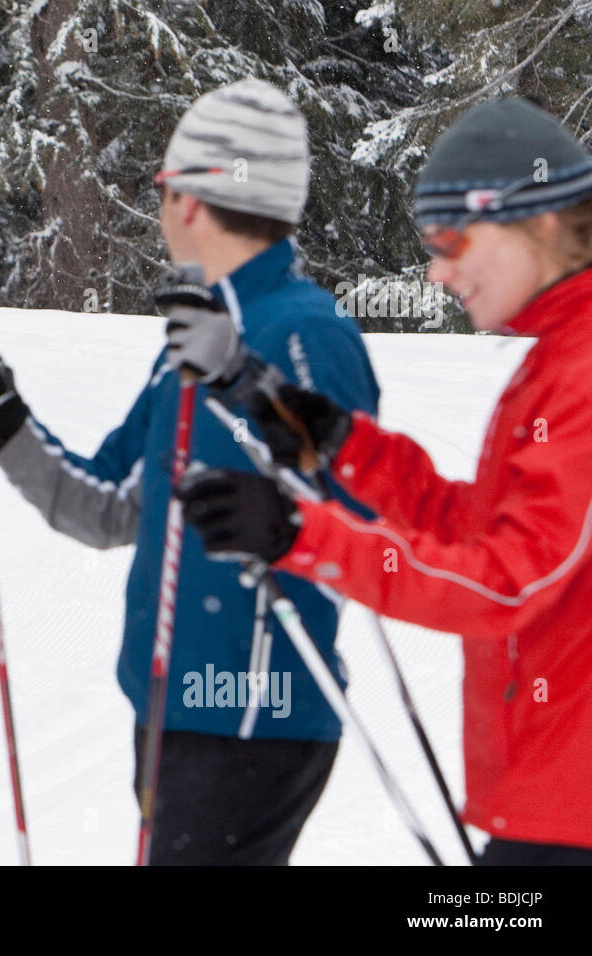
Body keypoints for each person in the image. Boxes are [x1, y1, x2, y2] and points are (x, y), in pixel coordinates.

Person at [0, 79, 381, 865]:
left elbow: (365, 528)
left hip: (253, 722)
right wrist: (0, 415)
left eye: (166, 185)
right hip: (176, 715)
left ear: (190, 198)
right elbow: (107, 506)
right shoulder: (194, 337)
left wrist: (261, 458)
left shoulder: (305, 331)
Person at [175, 97, 592, 865]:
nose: (437, 268)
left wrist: (302, 534)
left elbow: (509, 584)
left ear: (539, 223)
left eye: (451, 238)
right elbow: (483, 528)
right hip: (552, 806)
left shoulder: (581, 371)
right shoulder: (559, 355)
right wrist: (341, 443)